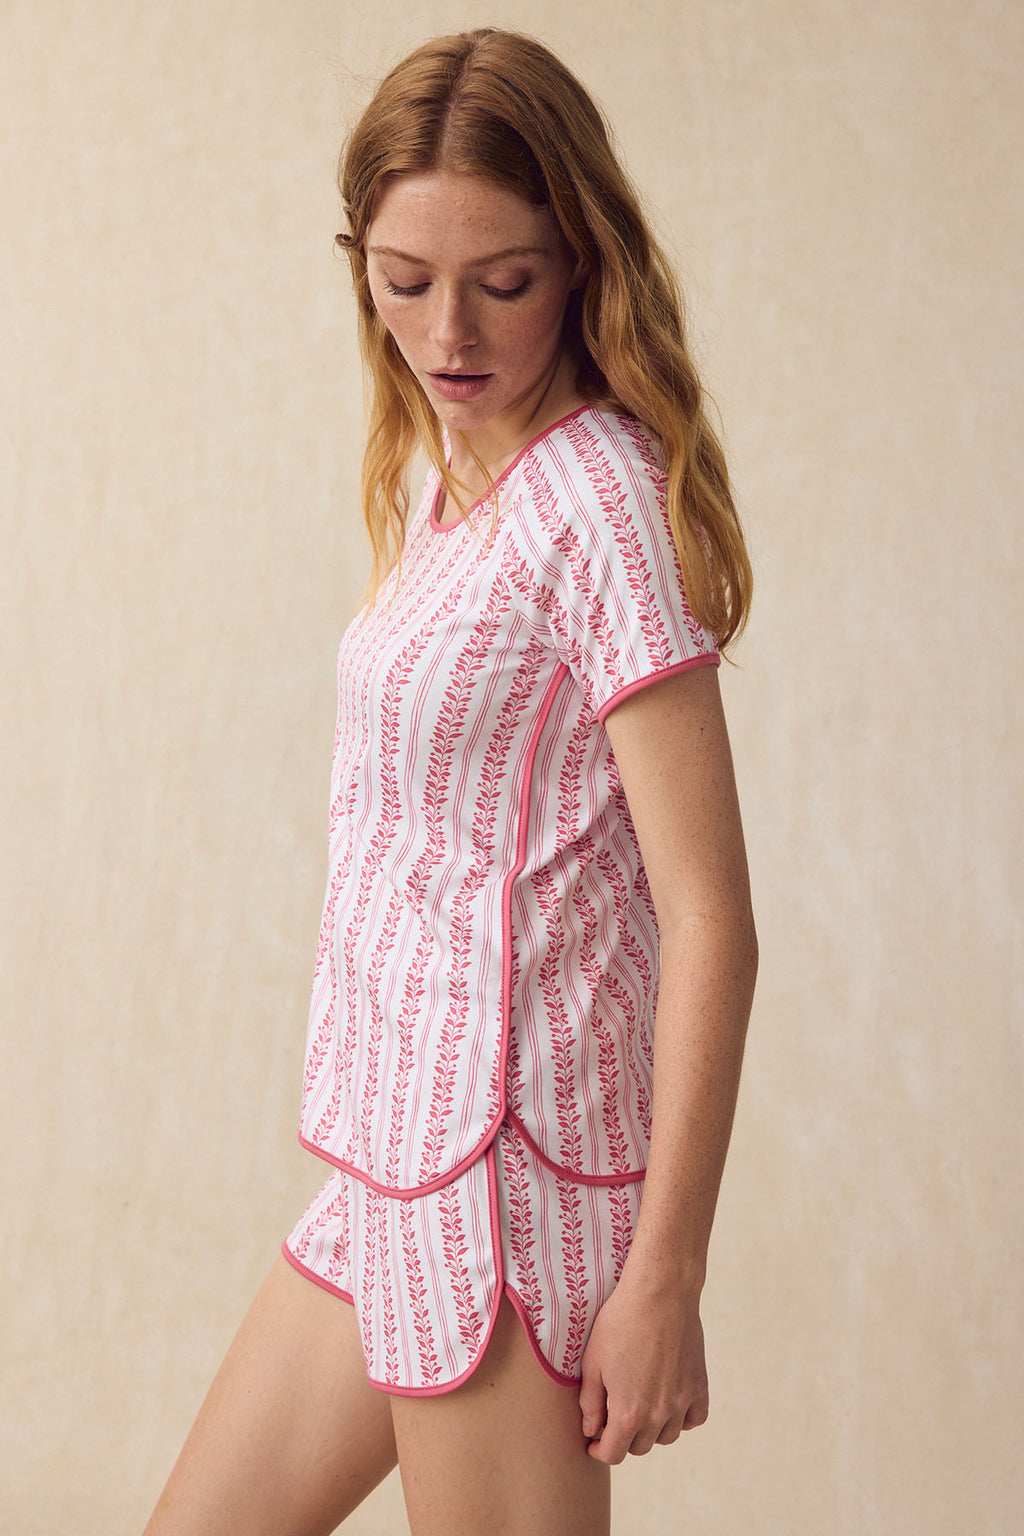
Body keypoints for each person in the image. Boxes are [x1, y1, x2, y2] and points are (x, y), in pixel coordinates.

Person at [144, 26, 757, 1536]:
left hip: (508, 1192)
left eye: (505, 279)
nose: (449, 331)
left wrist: (664, 1275)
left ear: (582, 259)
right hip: (394, 1160)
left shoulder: (603, 500)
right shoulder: (450, 468)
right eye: (405, 279)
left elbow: (711, 919)